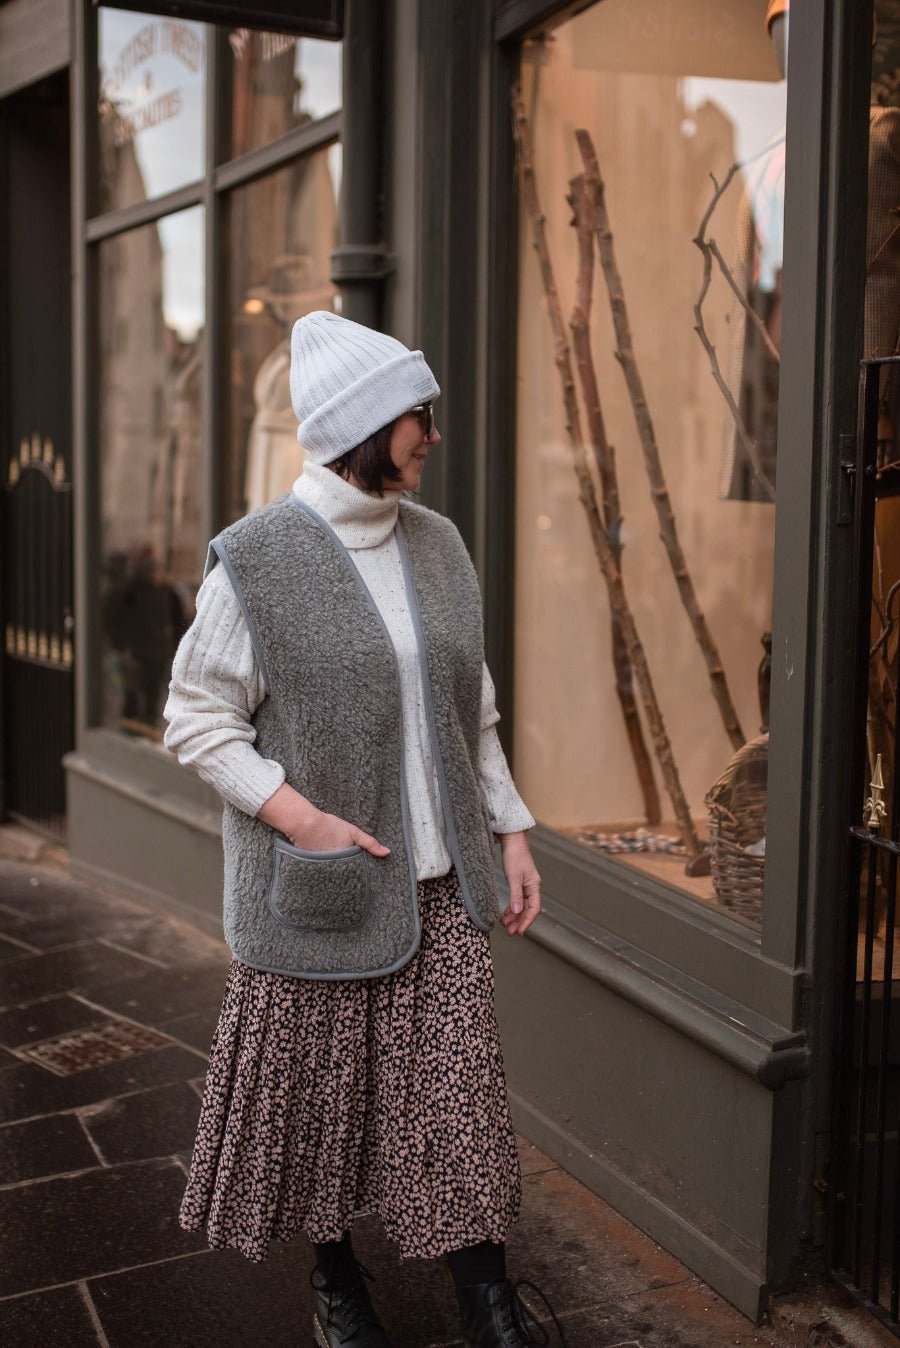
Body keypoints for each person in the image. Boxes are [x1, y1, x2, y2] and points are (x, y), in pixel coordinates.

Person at [162, 310, 566, 1348]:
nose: (431, 431)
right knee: (320, 1113)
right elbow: (196, 719)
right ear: (367, 423)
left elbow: (469, 706)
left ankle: (486, 1296)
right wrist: (304, 820)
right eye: (416, 414)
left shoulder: (437, 544)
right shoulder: (256, 559)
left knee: (458, 1111)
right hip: (324, 888)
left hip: (441, 888)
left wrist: (512, 831)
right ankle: (335, 1281)